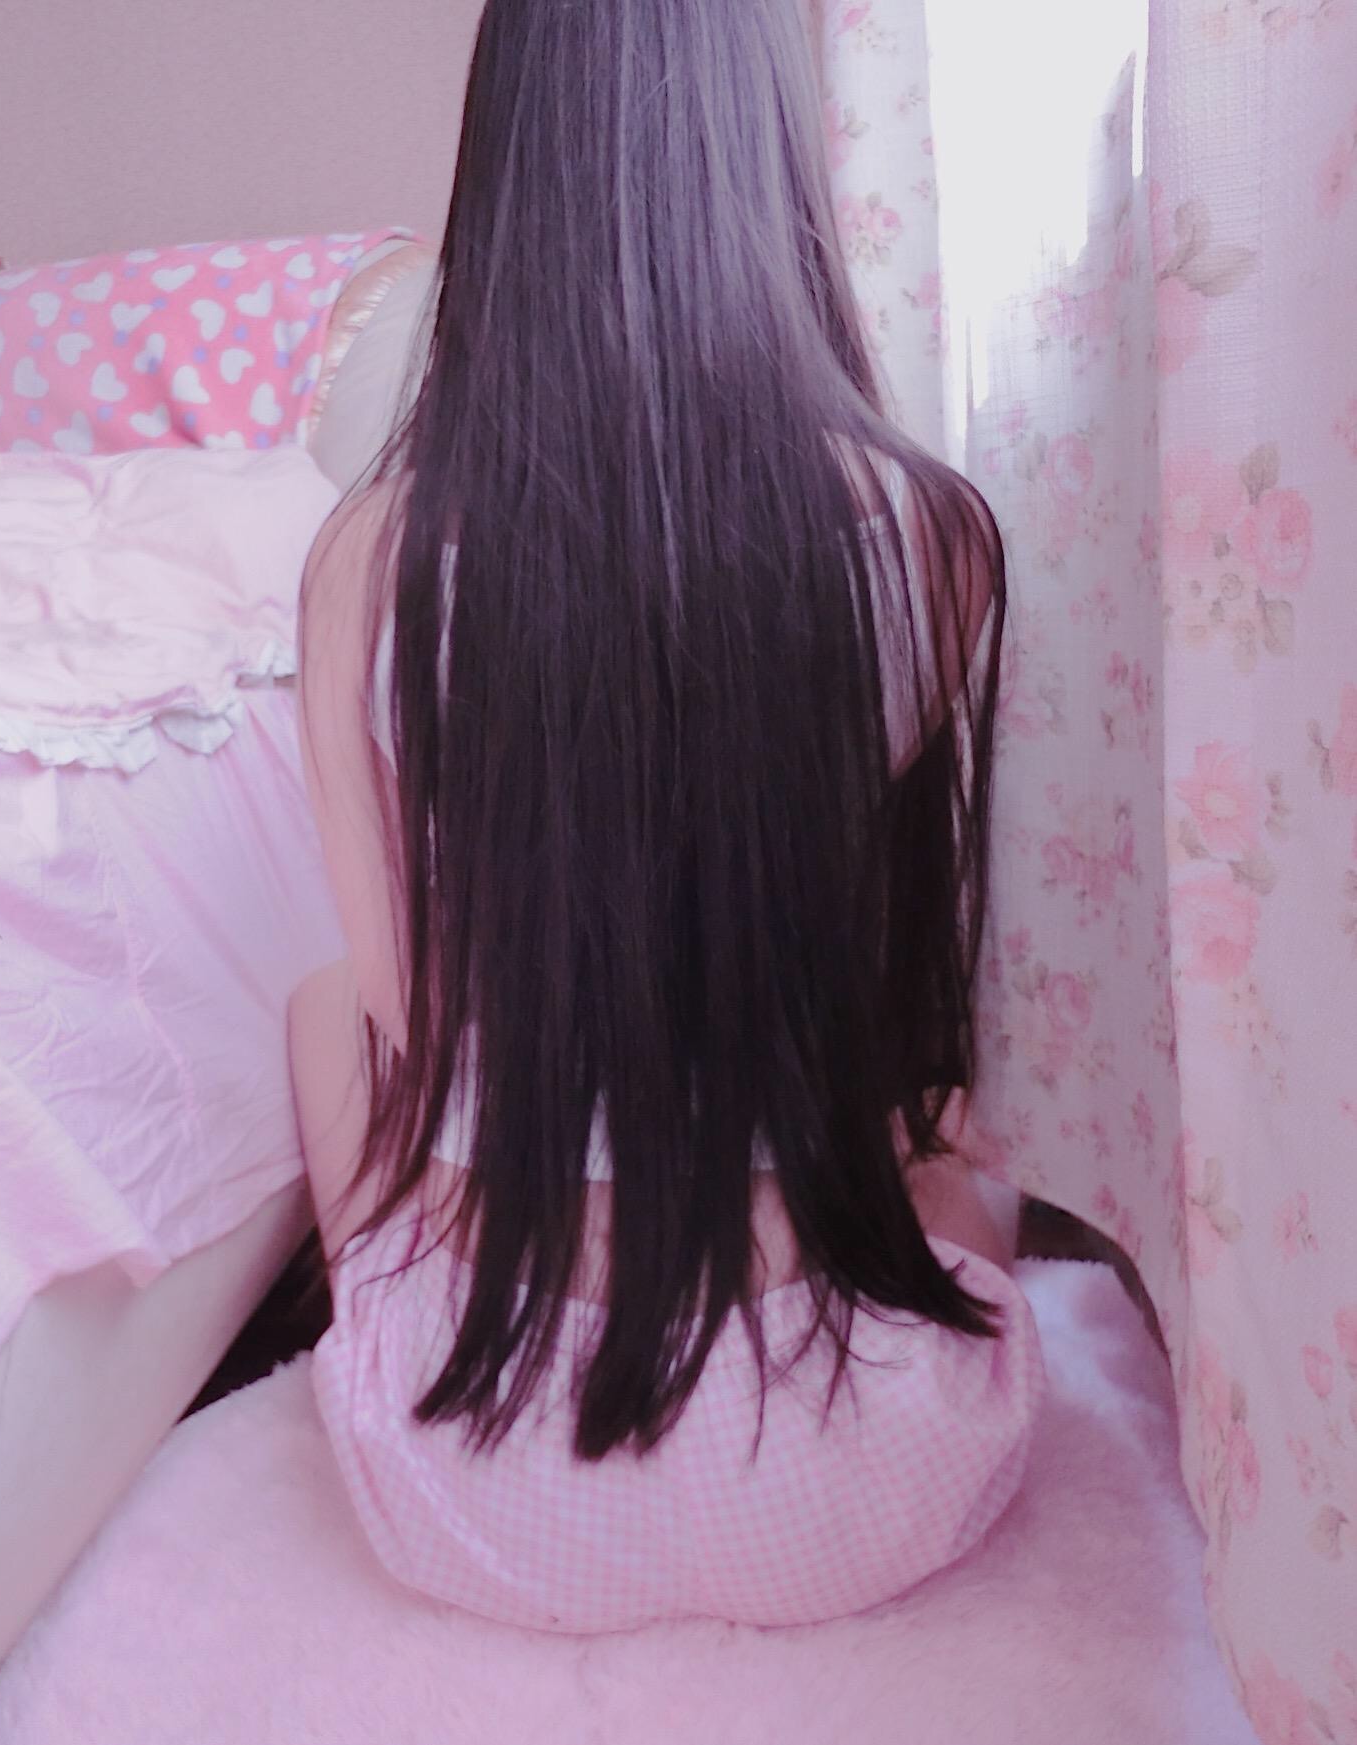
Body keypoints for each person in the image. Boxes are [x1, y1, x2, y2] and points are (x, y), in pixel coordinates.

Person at [289, 0, 1042, 1635]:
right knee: (949, 1122)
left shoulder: (366, 563)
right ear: (774, 165)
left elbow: (405, 1018)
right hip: (865, 1463)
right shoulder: (934, 534)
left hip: (478, 1471)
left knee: (317, 1016)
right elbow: (871, 938)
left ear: (508, 175)